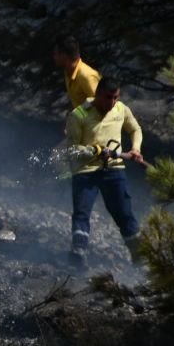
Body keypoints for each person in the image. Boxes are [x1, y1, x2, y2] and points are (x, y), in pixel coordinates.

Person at [64, 77, 146, 263]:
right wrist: (94, 150)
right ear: (98, 94)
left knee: (123, 212)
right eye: (108, 97)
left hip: (114, 169)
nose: (112, 102)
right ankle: (78, 253)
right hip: (86, 170)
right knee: (82, 212)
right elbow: (70, 150)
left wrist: (136, 149)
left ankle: (140, 258)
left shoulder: (121, 109)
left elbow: (135, 129)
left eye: (115, 97)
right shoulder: (79, 115)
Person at [52, 36, 100, 109]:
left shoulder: (86, 76)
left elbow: (102, 103)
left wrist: (77, 115)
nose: (54, 57)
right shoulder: (68, 72)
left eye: (55, 53)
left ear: (64, 56)